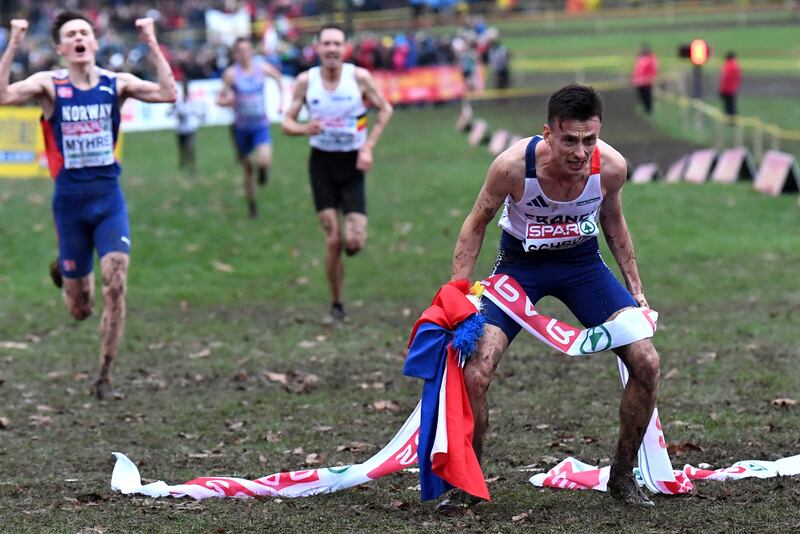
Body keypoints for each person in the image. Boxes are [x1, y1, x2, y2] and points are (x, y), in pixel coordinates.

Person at [443, 84, 660, 509]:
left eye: (589, 140)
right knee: (474, 373)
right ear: (547, 133)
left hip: (583, 268)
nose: (580, 153)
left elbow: (614, 222)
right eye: (569, 140)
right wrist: (458, 295)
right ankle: (468, 484)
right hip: (519, 269)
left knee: (647, 362)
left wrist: (636, 291)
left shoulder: (611, 168)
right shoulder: (512, 167)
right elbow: (475, 223)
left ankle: (622, 476)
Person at [0, 13, 177, 399]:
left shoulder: (117, 84)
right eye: (70, 34)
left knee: (116, 282)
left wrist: (150, 42)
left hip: (109, 200)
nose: (79, 38)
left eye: (85, 32)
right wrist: (14, 42)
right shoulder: (51, 85)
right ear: (61, 48)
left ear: (95, 42)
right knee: (80, 308)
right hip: (69, 206)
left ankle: (105, 377)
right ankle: (67, 271)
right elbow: (3, 96)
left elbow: (169, 93)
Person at [282, 24, 393, 322]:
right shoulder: (306, 82)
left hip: (353, 164)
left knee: (353, 241)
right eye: (326, 43)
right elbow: (286, 123)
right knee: (333, 240)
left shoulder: (358, 78)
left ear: (344, 48)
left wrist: (368, 146)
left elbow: (385, 109)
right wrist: (305, 128)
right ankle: (337, 303)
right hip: (322, 165)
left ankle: (348, 248)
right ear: (317, 47)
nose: (331, 49)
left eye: (337, 44)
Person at [217, 38, 284, 218]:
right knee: (247, 169)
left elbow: (279, 78)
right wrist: (227, 101)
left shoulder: (261, 68)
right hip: (241, 128)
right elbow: (219, 99)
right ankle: (252, 207)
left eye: (247, 50)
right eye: (240, 51)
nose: (244, 54)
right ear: (235, 54)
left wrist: (281, 102)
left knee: (264, 160)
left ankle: (263, 172)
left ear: (252, 51)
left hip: (260, 125)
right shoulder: (231, 74)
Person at [169, 77, 204, 174]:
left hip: (190, 128)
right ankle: (183, 163)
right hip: (180, 129)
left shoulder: (192, 101)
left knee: (190, 147)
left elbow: (197, 112)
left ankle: (193, 165)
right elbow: (171, 112)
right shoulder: (178, 101)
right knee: (182, 148)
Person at [631, 44, 658, 114]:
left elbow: (654, 69)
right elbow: (636, 70)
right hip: (639, 82)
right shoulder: (639, 58)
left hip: (646, 81)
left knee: (647, 96)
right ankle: (646, 110)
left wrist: (651, 78)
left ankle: (649, 110)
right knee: (642, 97)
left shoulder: (651, 58)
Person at [719, 51, 741, 119]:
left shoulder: (728, 65)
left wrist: (722, 89)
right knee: (732, 105)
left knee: (728, 105)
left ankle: (729, 119)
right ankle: (733, 118)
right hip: (733, 88)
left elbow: (725, 78)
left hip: (727, 89)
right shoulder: (736, 65)